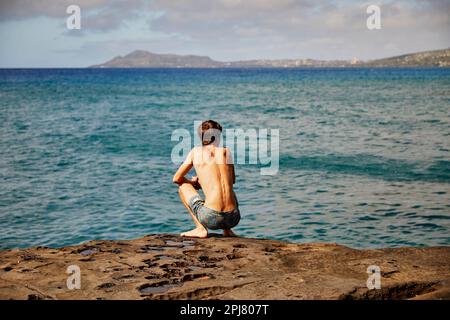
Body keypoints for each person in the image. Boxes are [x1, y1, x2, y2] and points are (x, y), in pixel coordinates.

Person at [172, 120, 240, 238]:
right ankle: (227, 230)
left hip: (211, 217)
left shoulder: (195, 152)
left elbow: (177, 178)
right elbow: (232, 180)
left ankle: (200, 229)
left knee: (183, 187)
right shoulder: (226, 152)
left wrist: (193, 182)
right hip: (233, 218)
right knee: (228, 186)